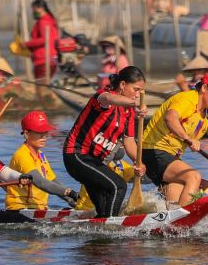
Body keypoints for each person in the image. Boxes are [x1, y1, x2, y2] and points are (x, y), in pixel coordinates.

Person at [140, 70, 208, 208]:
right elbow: (170, 119)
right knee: (193, 177)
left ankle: (171, 222)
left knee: (175, 204)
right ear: (204, 88)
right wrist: (188, 138)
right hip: (152, 151)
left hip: (170, 159)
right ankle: (181, 222)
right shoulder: (187, 99)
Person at [62, 66, 147, 218]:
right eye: (136, 89)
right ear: (122, 85)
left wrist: (138, 162)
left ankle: (101, 231)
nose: (138, 95)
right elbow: (108, 98)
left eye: (140, 91)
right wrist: (134, 103)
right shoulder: (103, 96)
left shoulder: (129, 112)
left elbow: (129, 141)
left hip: (95, 162)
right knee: (119, 186)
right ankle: (112, 228)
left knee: (104, 207)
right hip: (77, 155)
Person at [5, 111, 80, 212]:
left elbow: (53, 181)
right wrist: (69, 192)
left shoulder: (41, 155)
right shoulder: (22, 155)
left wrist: (72, 201)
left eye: (45, 132)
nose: (44, 137)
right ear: (26, 134)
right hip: (20, 209)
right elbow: (41, 182)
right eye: (39, 133)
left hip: (38, 209)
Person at [23, 0, 61, 81]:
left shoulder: (43, 22)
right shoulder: (51, 20)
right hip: (52, 58)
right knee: (45, 86)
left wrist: (26, 44)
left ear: (40, 8)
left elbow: (44, 40)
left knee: (41, 88)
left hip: (44, 59)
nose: (33, 12)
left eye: (33, 9)